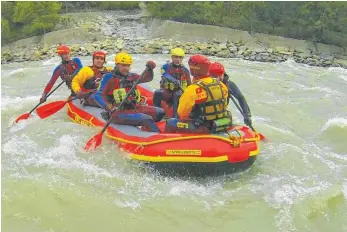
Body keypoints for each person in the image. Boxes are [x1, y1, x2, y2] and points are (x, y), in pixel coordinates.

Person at [94, 52, 165, 132]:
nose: (126, 68)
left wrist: (150, 69)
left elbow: (147, 78)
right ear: (117, 64)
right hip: (118, 112)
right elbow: (97, 96)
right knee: (147, 119)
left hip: (133, 107)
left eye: (128, 66)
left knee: (160, 112)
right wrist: (109, 107)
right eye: (123, 65)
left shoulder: (131, 76)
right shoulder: (108, 77)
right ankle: (155, 136)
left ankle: (147, 130)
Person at [165, 54, 231, 134]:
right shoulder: (221, 85)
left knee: (170, 122)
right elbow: (224, 104)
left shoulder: (192, 89)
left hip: (202, 126)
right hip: (220, 123)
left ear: (194, 70)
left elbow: (182, 114)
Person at [209, 62, 252, 128]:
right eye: (214, 76)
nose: (217, 79)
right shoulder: (204, 82)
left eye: (219, 75)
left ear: (223, 74)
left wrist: (247, 115)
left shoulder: (228, 84)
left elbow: (240, 97)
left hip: (221, 114)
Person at [153, 48, 191, 118]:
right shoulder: (165, 67)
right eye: (176, 57)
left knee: (177, 94)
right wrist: (173, 80)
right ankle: (156, 114)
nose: (178, 59)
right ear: (172, 57)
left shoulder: (185, 70)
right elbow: (165, 74)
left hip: (179, 93)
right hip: (167, 92)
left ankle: (175, 117)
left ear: (182, 59)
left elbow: (189, 85)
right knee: (157, 92)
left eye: (180, 58)